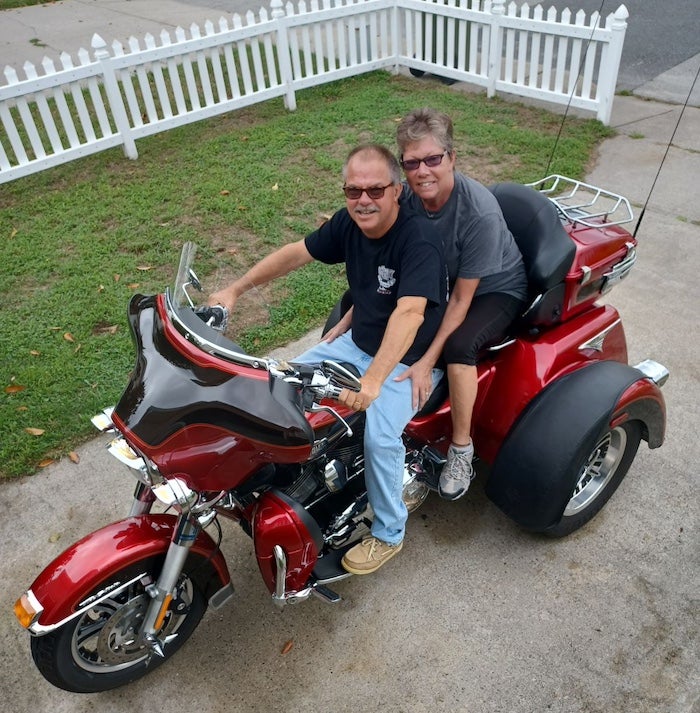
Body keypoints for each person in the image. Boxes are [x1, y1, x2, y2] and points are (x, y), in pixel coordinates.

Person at [209, 143, 446, 575]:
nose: (363, 200)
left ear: (397, 190)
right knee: (276, 385)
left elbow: (410, 313)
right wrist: (235, 289)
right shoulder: (350, 224)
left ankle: (390, 532)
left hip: (404, 362)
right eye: (353, 190)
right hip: (355, 344)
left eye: (375, 189)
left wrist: (373, 381)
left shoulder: (419, 241)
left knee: (380, 436)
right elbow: (296, 252)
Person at [395, 107, 528, 501]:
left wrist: (425, 360)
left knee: (457, 347)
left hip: (496, 288)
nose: (423, 172)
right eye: (412, 162)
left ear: (452, 158)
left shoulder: (479, 213)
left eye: (433, 159)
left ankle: (461, 449)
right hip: (446, 278)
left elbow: (461, 300)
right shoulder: (409, 200)